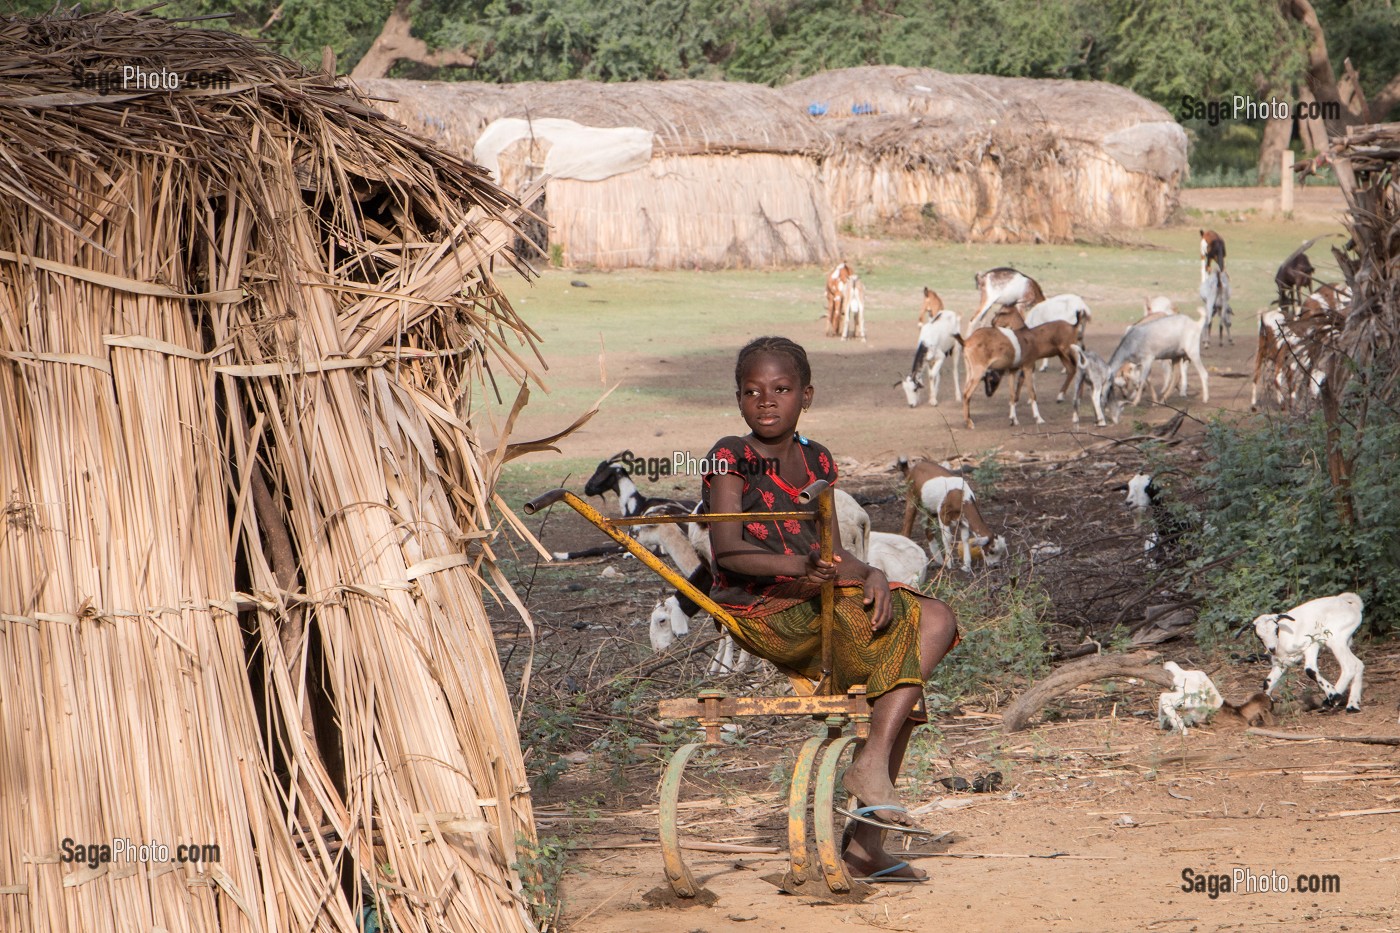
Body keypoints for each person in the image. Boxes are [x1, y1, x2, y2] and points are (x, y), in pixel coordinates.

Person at [701, 335, 959, 884]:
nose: (766, 401)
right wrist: (798, 569)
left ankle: (868, 804)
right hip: (763, 610)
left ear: (806, 395)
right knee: (901, 664)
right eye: (752, 391)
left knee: (934, 621)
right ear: (738, 399)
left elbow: (833, 551)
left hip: (818, 600)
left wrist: (867, 574)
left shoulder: (818, 460)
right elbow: (727, 551)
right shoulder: (731, 455)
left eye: (781, 389)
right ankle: (867, 815)